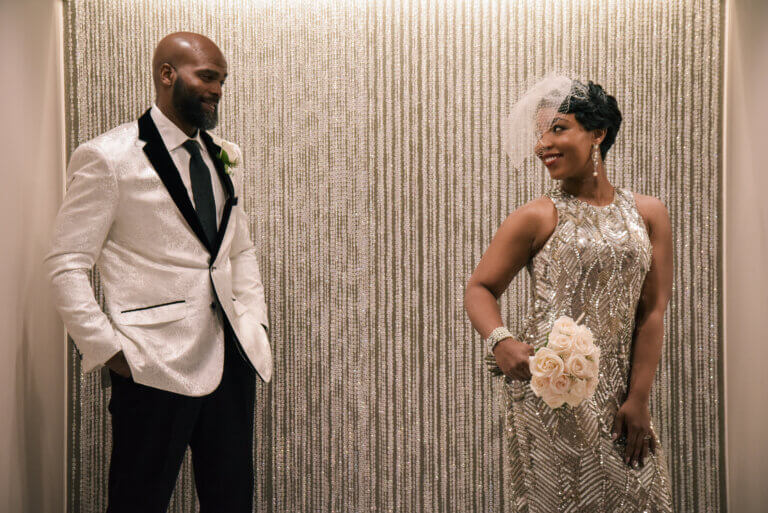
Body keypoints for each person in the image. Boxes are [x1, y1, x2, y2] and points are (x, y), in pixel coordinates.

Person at [45, 32, 272, 512]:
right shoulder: (108, 157)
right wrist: (109, 351)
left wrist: (254, 322)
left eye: (222, 81)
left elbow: (238, 249)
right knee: (138, 501)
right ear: (167, 74)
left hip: (230, 361)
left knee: (233, 501)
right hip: (152, 366)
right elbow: (66, 263)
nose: (217, 90)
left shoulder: (222, 155)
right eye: (207, 77)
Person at [464, 75, 673, 511]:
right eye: (540, 133)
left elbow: (652, 313)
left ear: (598, 132)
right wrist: (500, 341)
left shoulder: (649, 213)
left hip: (622, 395)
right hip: (550, 395)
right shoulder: (535, 216)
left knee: (639, 497)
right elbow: (480, 288)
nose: (543, 144)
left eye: (558, 128)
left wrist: (638, 398)